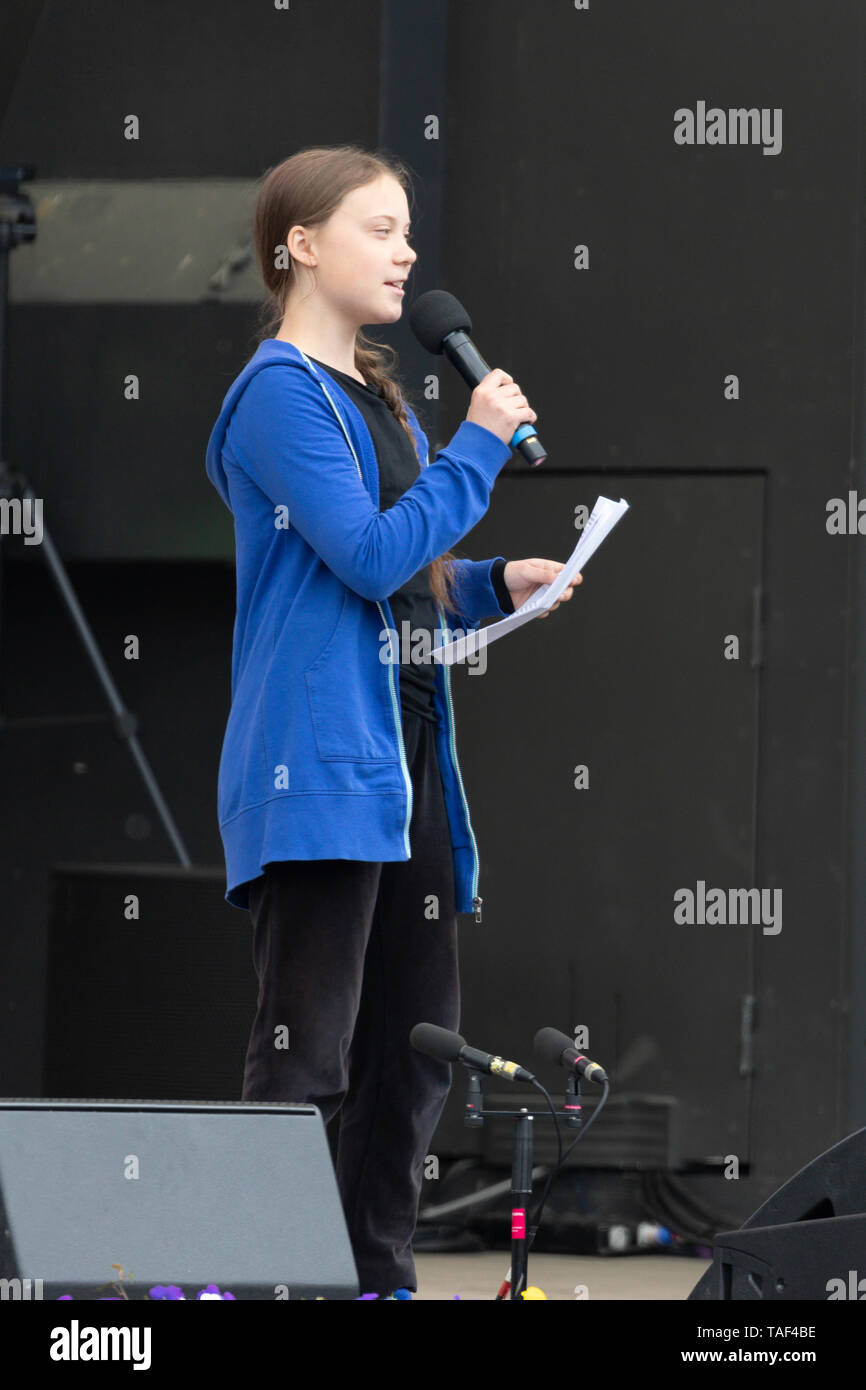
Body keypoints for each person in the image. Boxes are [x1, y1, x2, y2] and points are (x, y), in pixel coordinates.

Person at [204, 143, 579, 1298]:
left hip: (405, 761)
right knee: (306, 1053)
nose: (406, 252)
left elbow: (410, 573)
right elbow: (364, 554)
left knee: (407, 1051)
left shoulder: (377, 394)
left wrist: (489, 579)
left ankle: (377, 1278)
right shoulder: (277, 394)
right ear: (300, 245)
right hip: (313, 767)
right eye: (379, 228)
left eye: (408, 229)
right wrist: (473, 447)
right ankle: (271, 1281)